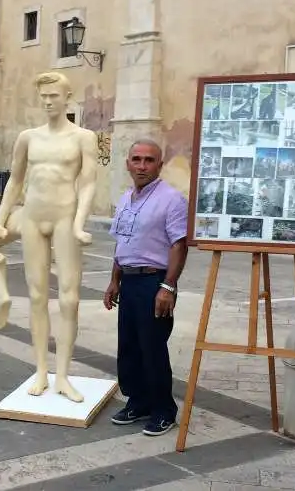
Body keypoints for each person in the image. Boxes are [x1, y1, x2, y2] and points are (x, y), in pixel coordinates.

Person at [0, 71, 98, 402]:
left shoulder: (83, 137)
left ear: (67, 97)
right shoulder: (28, 137)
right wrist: (1, 220)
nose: (48, 101)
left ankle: (63, 375)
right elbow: (15, 182)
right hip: (32, 215)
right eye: (43, 96)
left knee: (69, 299)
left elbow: (88, 182)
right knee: (36, 297)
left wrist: (79, 223)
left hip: (64, 215)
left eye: (54, 96)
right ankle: (42, 371)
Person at [103, 139, 188, 436]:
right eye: (136, 159)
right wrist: (115, 280)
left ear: (159, 165)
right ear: (128, 163)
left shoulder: (172, 199)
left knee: (152, 349)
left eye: (149, 160)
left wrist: (168, 287)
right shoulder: (126, 198)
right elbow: (121, 241)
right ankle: (137, 402)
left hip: (154, 282)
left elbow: (179, 245)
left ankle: (164, 410)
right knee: (129, 348)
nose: (141, 165)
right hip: (129, 280)